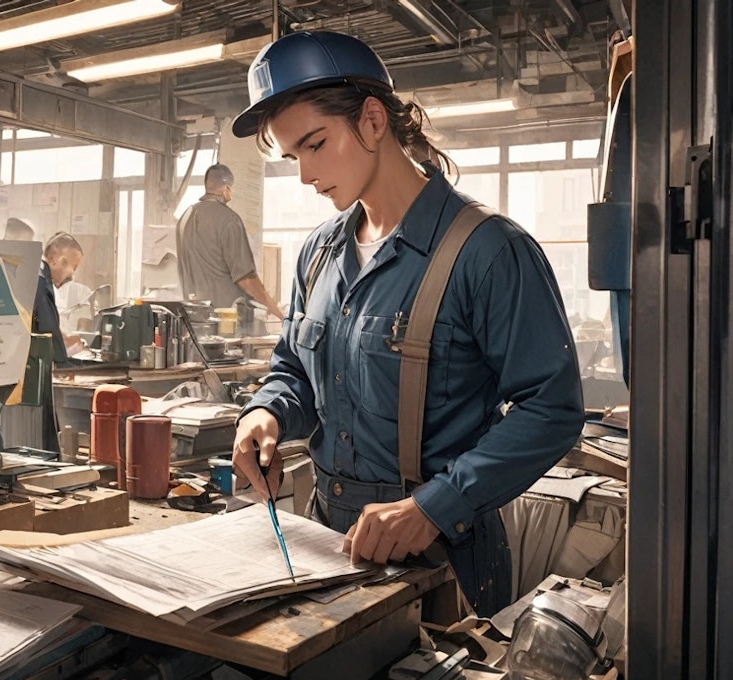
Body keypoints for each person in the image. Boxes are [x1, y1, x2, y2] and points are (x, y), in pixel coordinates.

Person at [228, 30, 584, 616]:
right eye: (294, 156)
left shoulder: (489, 252)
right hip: (327, 546)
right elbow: (293, 366)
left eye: (315, 145)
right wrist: (267, 410)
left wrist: (435, 506)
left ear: (372, 121)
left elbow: (552, 408)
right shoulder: (318, 254)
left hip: (445, 560)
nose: (304, 175)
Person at [176, 163, 284, 320]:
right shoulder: (229, 219)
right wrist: (278, 313)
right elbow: (247, 280)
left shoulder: (184, 217)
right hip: (225, 320)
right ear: (226, 189)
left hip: (193, 319)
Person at [33, 232, 84, 364]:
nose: (72, 275)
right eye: (72, 267)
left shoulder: (36, 275)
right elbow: (47, 332)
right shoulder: (41, 283)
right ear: (53, 259)